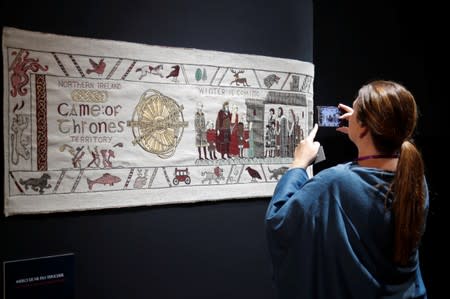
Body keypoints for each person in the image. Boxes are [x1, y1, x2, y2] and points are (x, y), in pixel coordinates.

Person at [265, 80, 429, 299]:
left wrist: (298, 164)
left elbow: (279, 221)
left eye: (356, 110)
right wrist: (363, 131)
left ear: (365, 127)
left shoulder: (335, 183)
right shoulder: (416, 178)